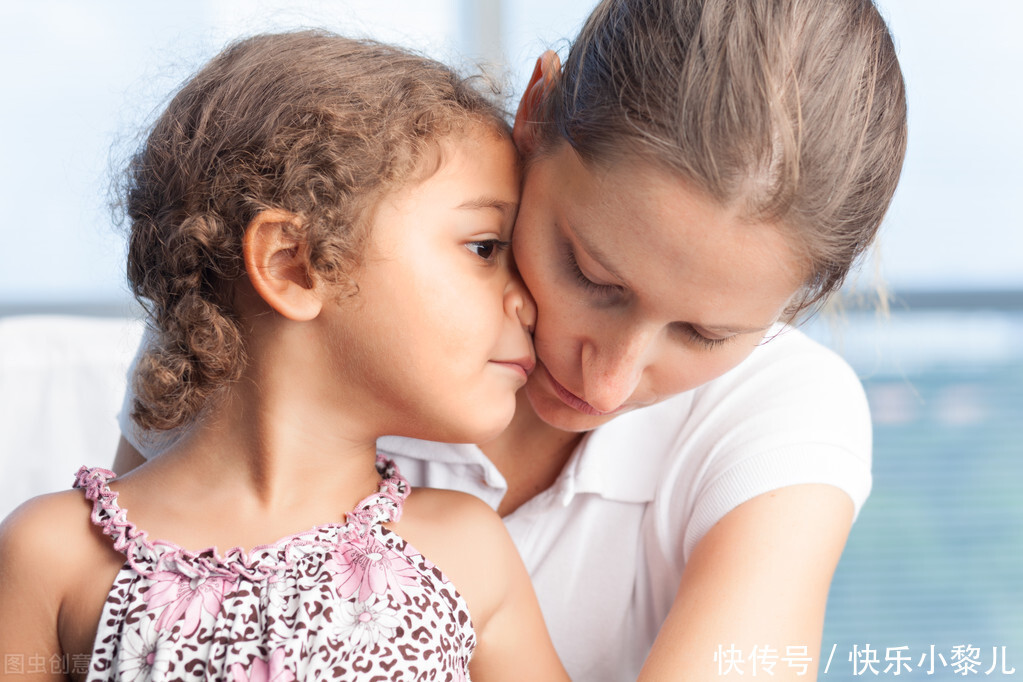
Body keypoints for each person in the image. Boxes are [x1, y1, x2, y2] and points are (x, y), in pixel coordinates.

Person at [117, 0, 905, 680]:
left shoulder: (778, 414)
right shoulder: (263, 331)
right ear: (533, 113)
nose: (605, 382)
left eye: (705, 333)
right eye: (591, 274)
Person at [0, 31, 572, 681]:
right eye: (484, 247)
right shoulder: (53, 554)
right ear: (292, 265)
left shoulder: (465, 553)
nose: (527, 301)